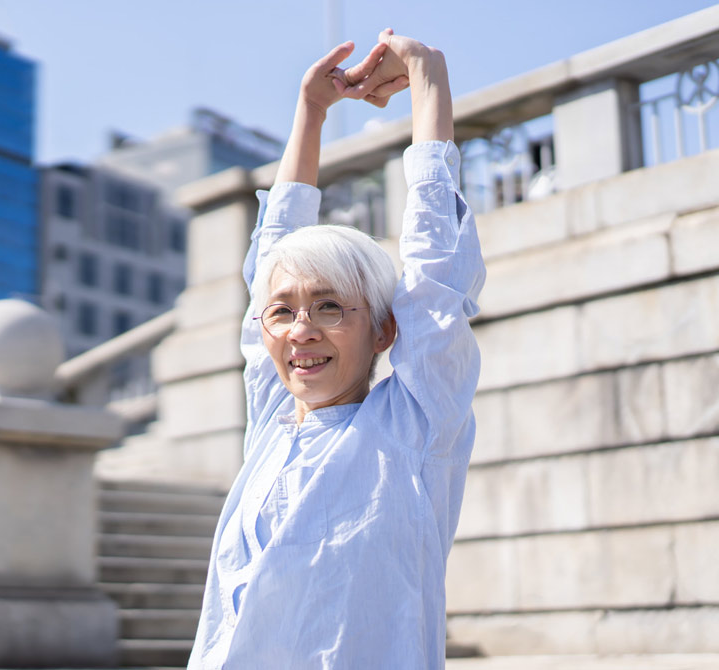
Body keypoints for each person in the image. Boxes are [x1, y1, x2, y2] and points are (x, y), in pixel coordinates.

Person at [188, 30, 486, 669]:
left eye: (330, 308)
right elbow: (271, 261)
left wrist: (429, 87)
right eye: (283, 313)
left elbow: (436, 281)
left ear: (383, 330)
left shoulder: (414, 427)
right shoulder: (271, 423)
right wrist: (311, 112)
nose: (301, 331)